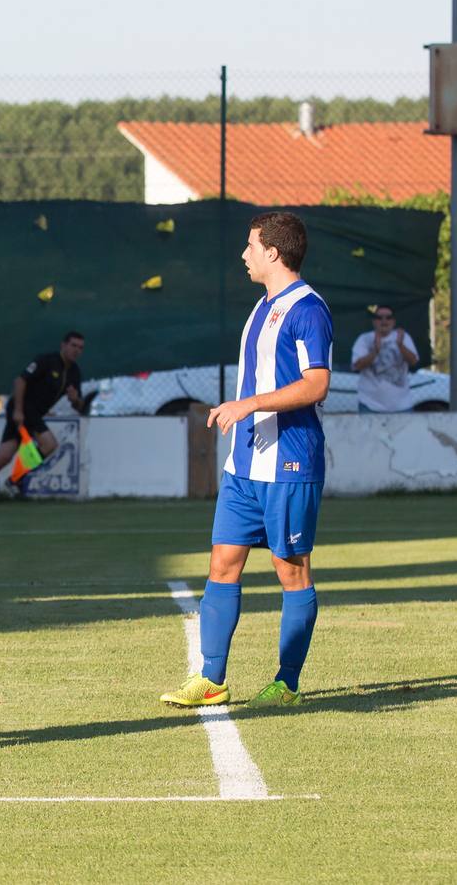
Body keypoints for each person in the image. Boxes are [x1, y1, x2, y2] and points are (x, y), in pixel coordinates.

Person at [161, 211, 327, 712]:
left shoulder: (308, 308)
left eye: (251, 245)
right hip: (245, 466)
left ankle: (287, 682)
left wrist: (249, 405)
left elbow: (317, 383)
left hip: (290, 465)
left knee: (290, 570)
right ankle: (212, 679)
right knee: (222, 563)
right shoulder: (262, 307)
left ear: (273, 252)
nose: (244, 254)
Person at [0, 331, 84, 507]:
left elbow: (79, 406)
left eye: (80, 348)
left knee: (3, 456)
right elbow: (20, 381)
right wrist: (18, 411)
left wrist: (75, 399)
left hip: (34, 414)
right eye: (73, 345)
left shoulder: (75, 372)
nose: (76, 350)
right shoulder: (47, 361)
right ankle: (15, 480)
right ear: (64, 345)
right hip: (24, 408)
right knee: (49, 444)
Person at [349, 305, 418, 412]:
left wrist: (400, 345)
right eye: (379, 317)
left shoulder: (403, 337)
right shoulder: (364, 339)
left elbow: (414, 361)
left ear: (393, 321)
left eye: (388, 317)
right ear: (374, 321)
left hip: (402, 406)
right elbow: (356, 366)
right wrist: (375, 352)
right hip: (370, 406)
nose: (384, 321)